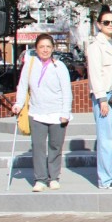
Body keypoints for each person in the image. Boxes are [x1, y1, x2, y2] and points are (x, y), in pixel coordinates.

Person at [12, 34, 72, 192]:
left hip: (57, 113)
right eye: (41, 47)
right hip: (37, 112)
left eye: (48, 47)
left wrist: (65, 112)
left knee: (55, 146)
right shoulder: (30, 64)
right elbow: (22, 86)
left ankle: (54, 177)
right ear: (36, 49)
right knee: (38, 146)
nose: (45, 50)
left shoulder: (59, 66)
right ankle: (40, 179)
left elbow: (67, 91)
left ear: (53, 48)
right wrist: (18, 104)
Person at [86, 8, 112, 189]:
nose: (110, 25)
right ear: (99, 24)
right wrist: (101, 99)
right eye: (106, 22)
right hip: (105, 95)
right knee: (106, 137)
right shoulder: (95, 46)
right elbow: (95, 74)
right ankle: (105, 178)